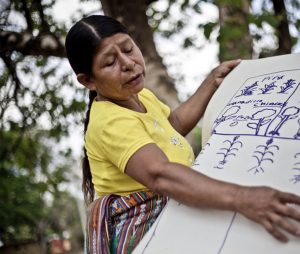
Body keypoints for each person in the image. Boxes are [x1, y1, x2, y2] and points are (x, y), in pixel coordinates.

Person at [65, 15, 300, 254]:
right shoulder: (108, 122)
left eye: (128, 49)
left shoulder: (140, 95)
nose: (129, 63)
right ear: (88, 81)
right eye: (110, 63)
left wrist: (211, 82)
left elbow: (171, 127)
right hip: (144, 231)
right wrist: (242, 197)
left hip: (175, 201)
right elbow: (160, 176)